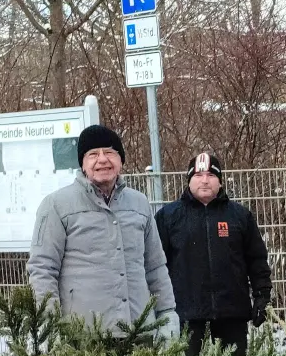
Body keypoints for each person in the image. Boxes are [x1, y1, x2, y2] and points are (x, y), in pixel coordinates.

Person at [27, 124, 178, 336]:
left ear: (120, 160)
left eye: (109, 152)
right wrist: (48, 322)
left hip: (139, 332)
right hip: (83, 337)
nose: (102, 160)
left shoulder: (139, 203)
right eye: (93, 154)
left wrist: (167, 312)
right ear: (83, 164)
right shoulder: (56, 205)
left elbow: (155, 266)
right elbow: (42, 269)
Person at [154, 152, 272, 356]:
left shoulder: (239, 216)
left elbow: (257, 259)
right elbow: (155, 264)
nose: (205, 180)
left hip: (232, 313)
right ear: (189, 180)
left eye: (211, 175)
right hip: (187, 315)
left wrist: (262, 295)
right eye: (199, 175)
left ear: (220, 181)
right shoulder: (168, 217)